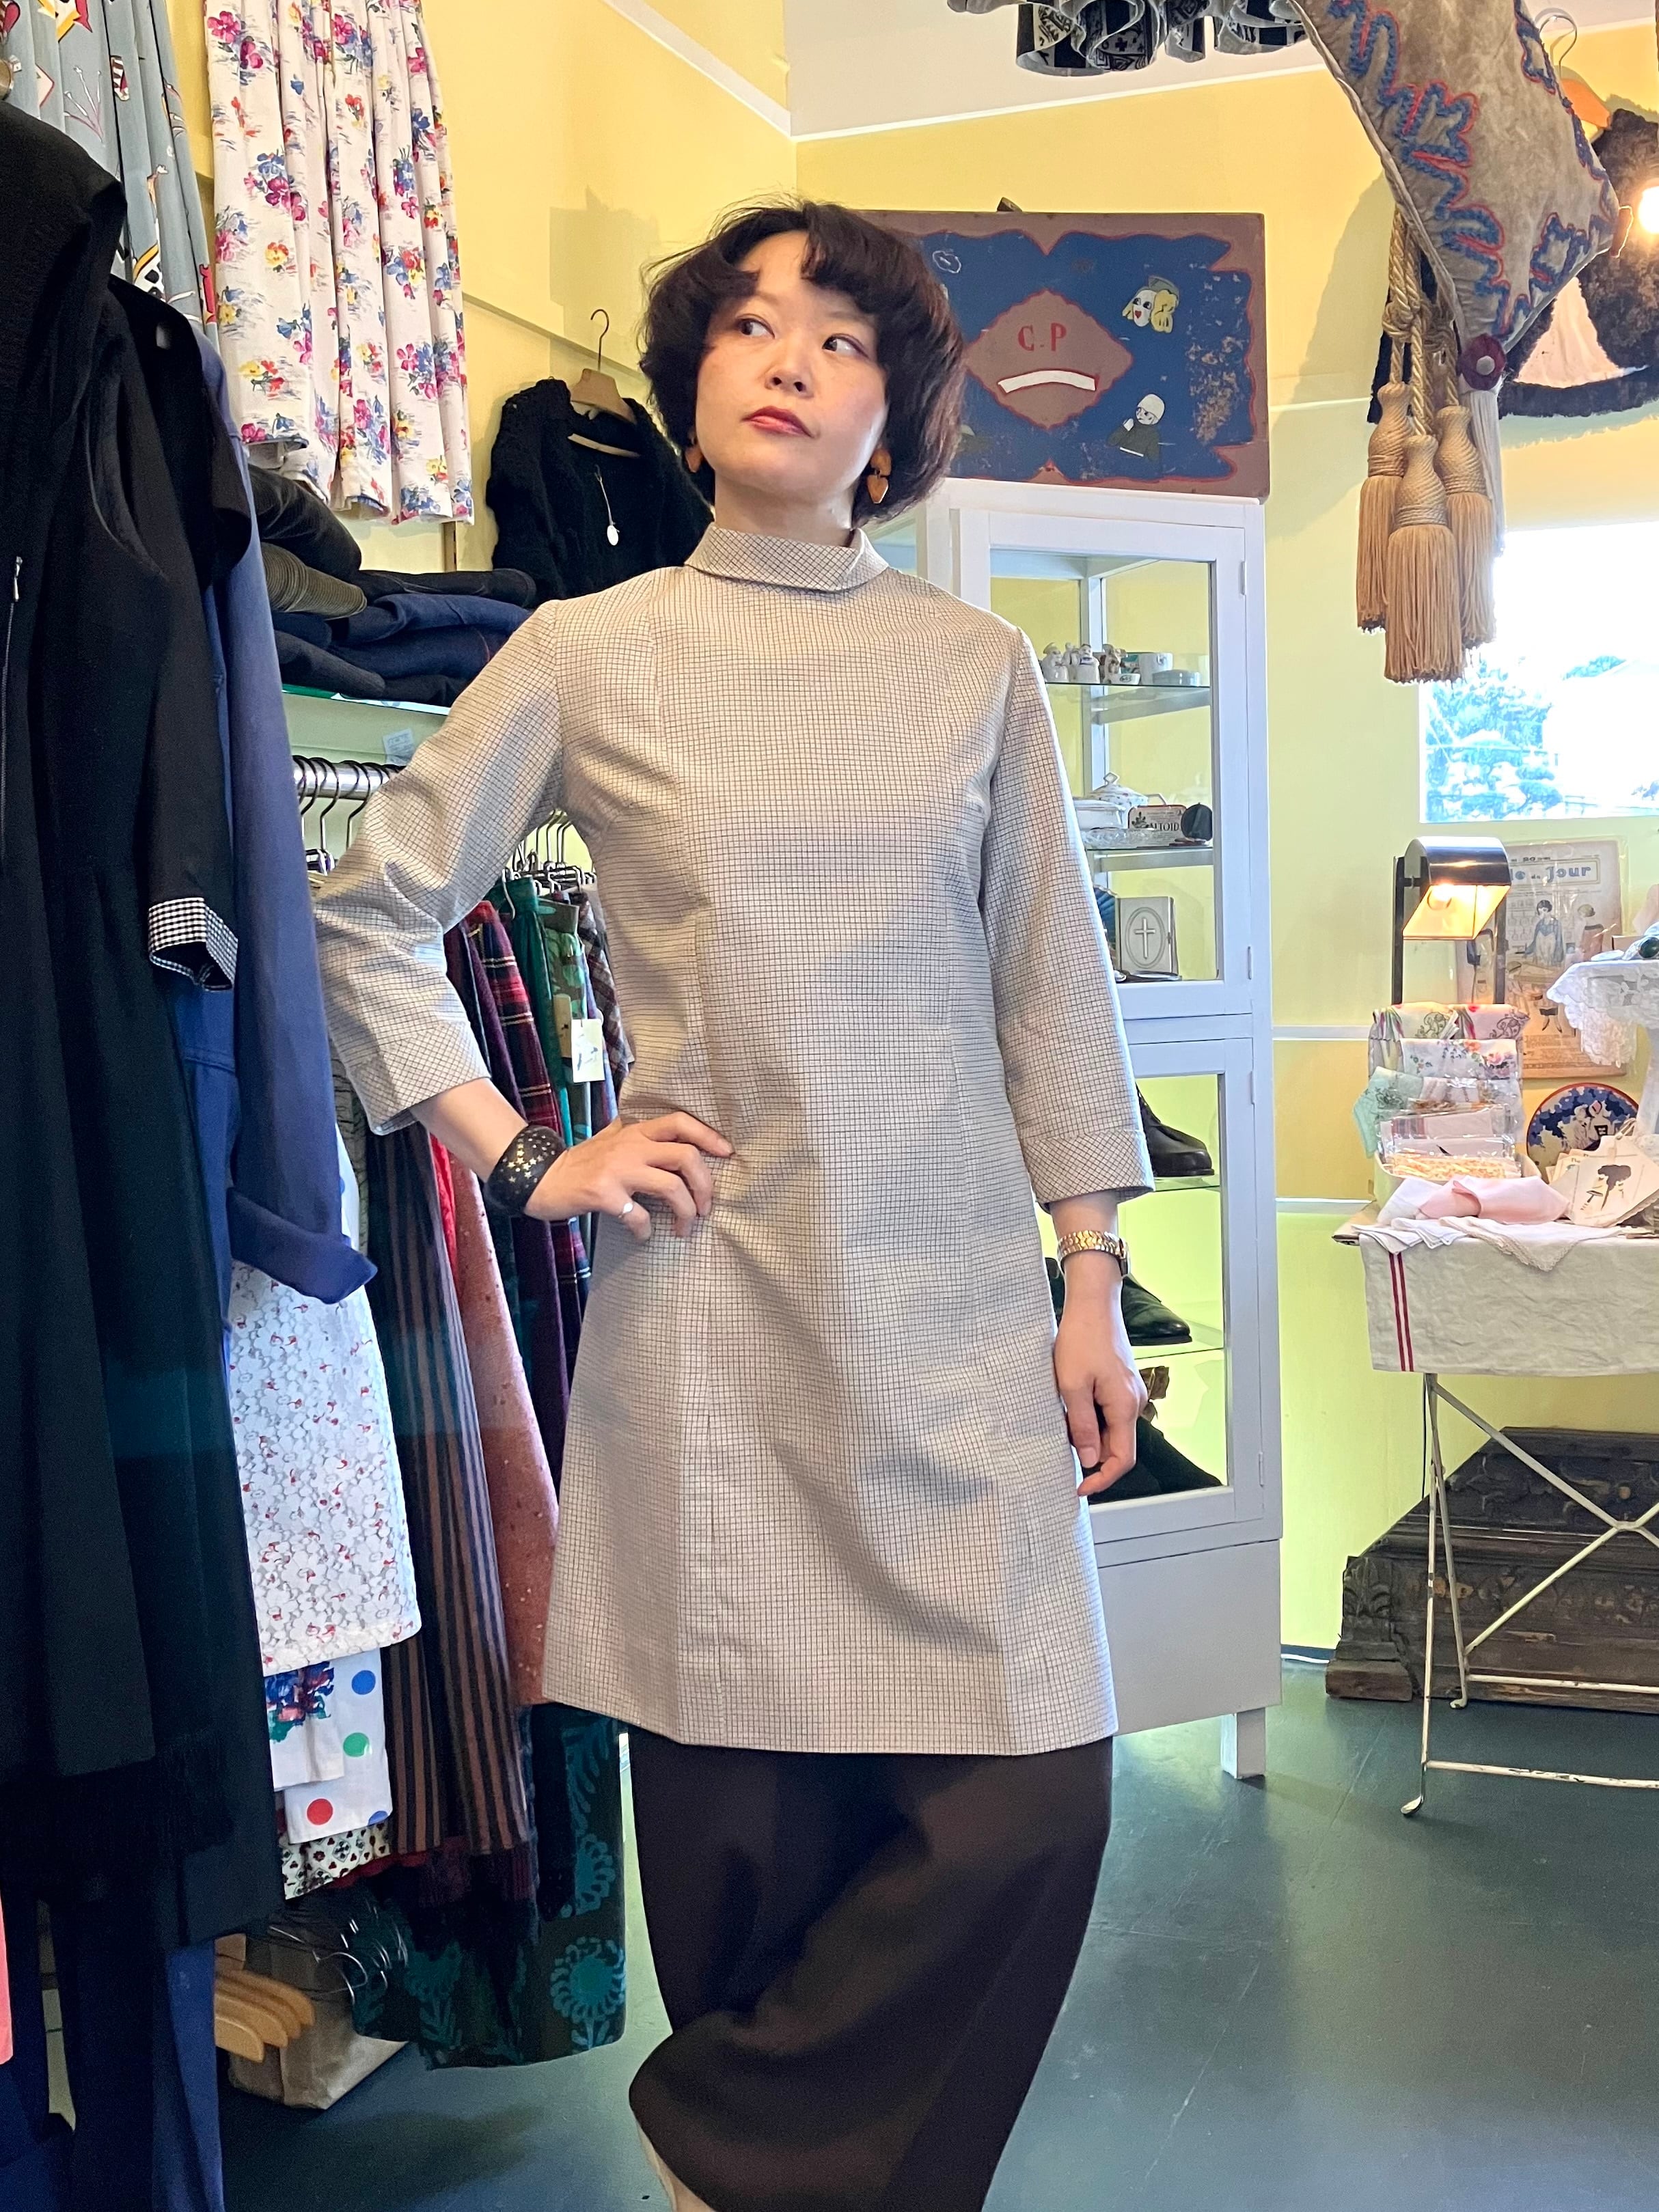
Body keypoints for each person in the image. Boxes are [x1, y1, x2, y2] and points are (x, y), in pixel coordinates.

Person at [313, 198, 1153, 2212]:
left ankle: (735, 2148)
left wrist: (1091, 1277)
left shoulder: (972, 668)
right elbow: (367, 909)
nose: (790, 359)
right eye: (751, 325)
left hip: (954, 1316)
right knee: (745, 1850)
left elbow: (1049, 983)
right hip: (713, 1321)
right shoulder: (587, 650)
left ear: (896, 418)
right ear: (692, 390)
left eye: (843, 338)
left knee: (1032, 1795)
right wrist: (529, 1152)